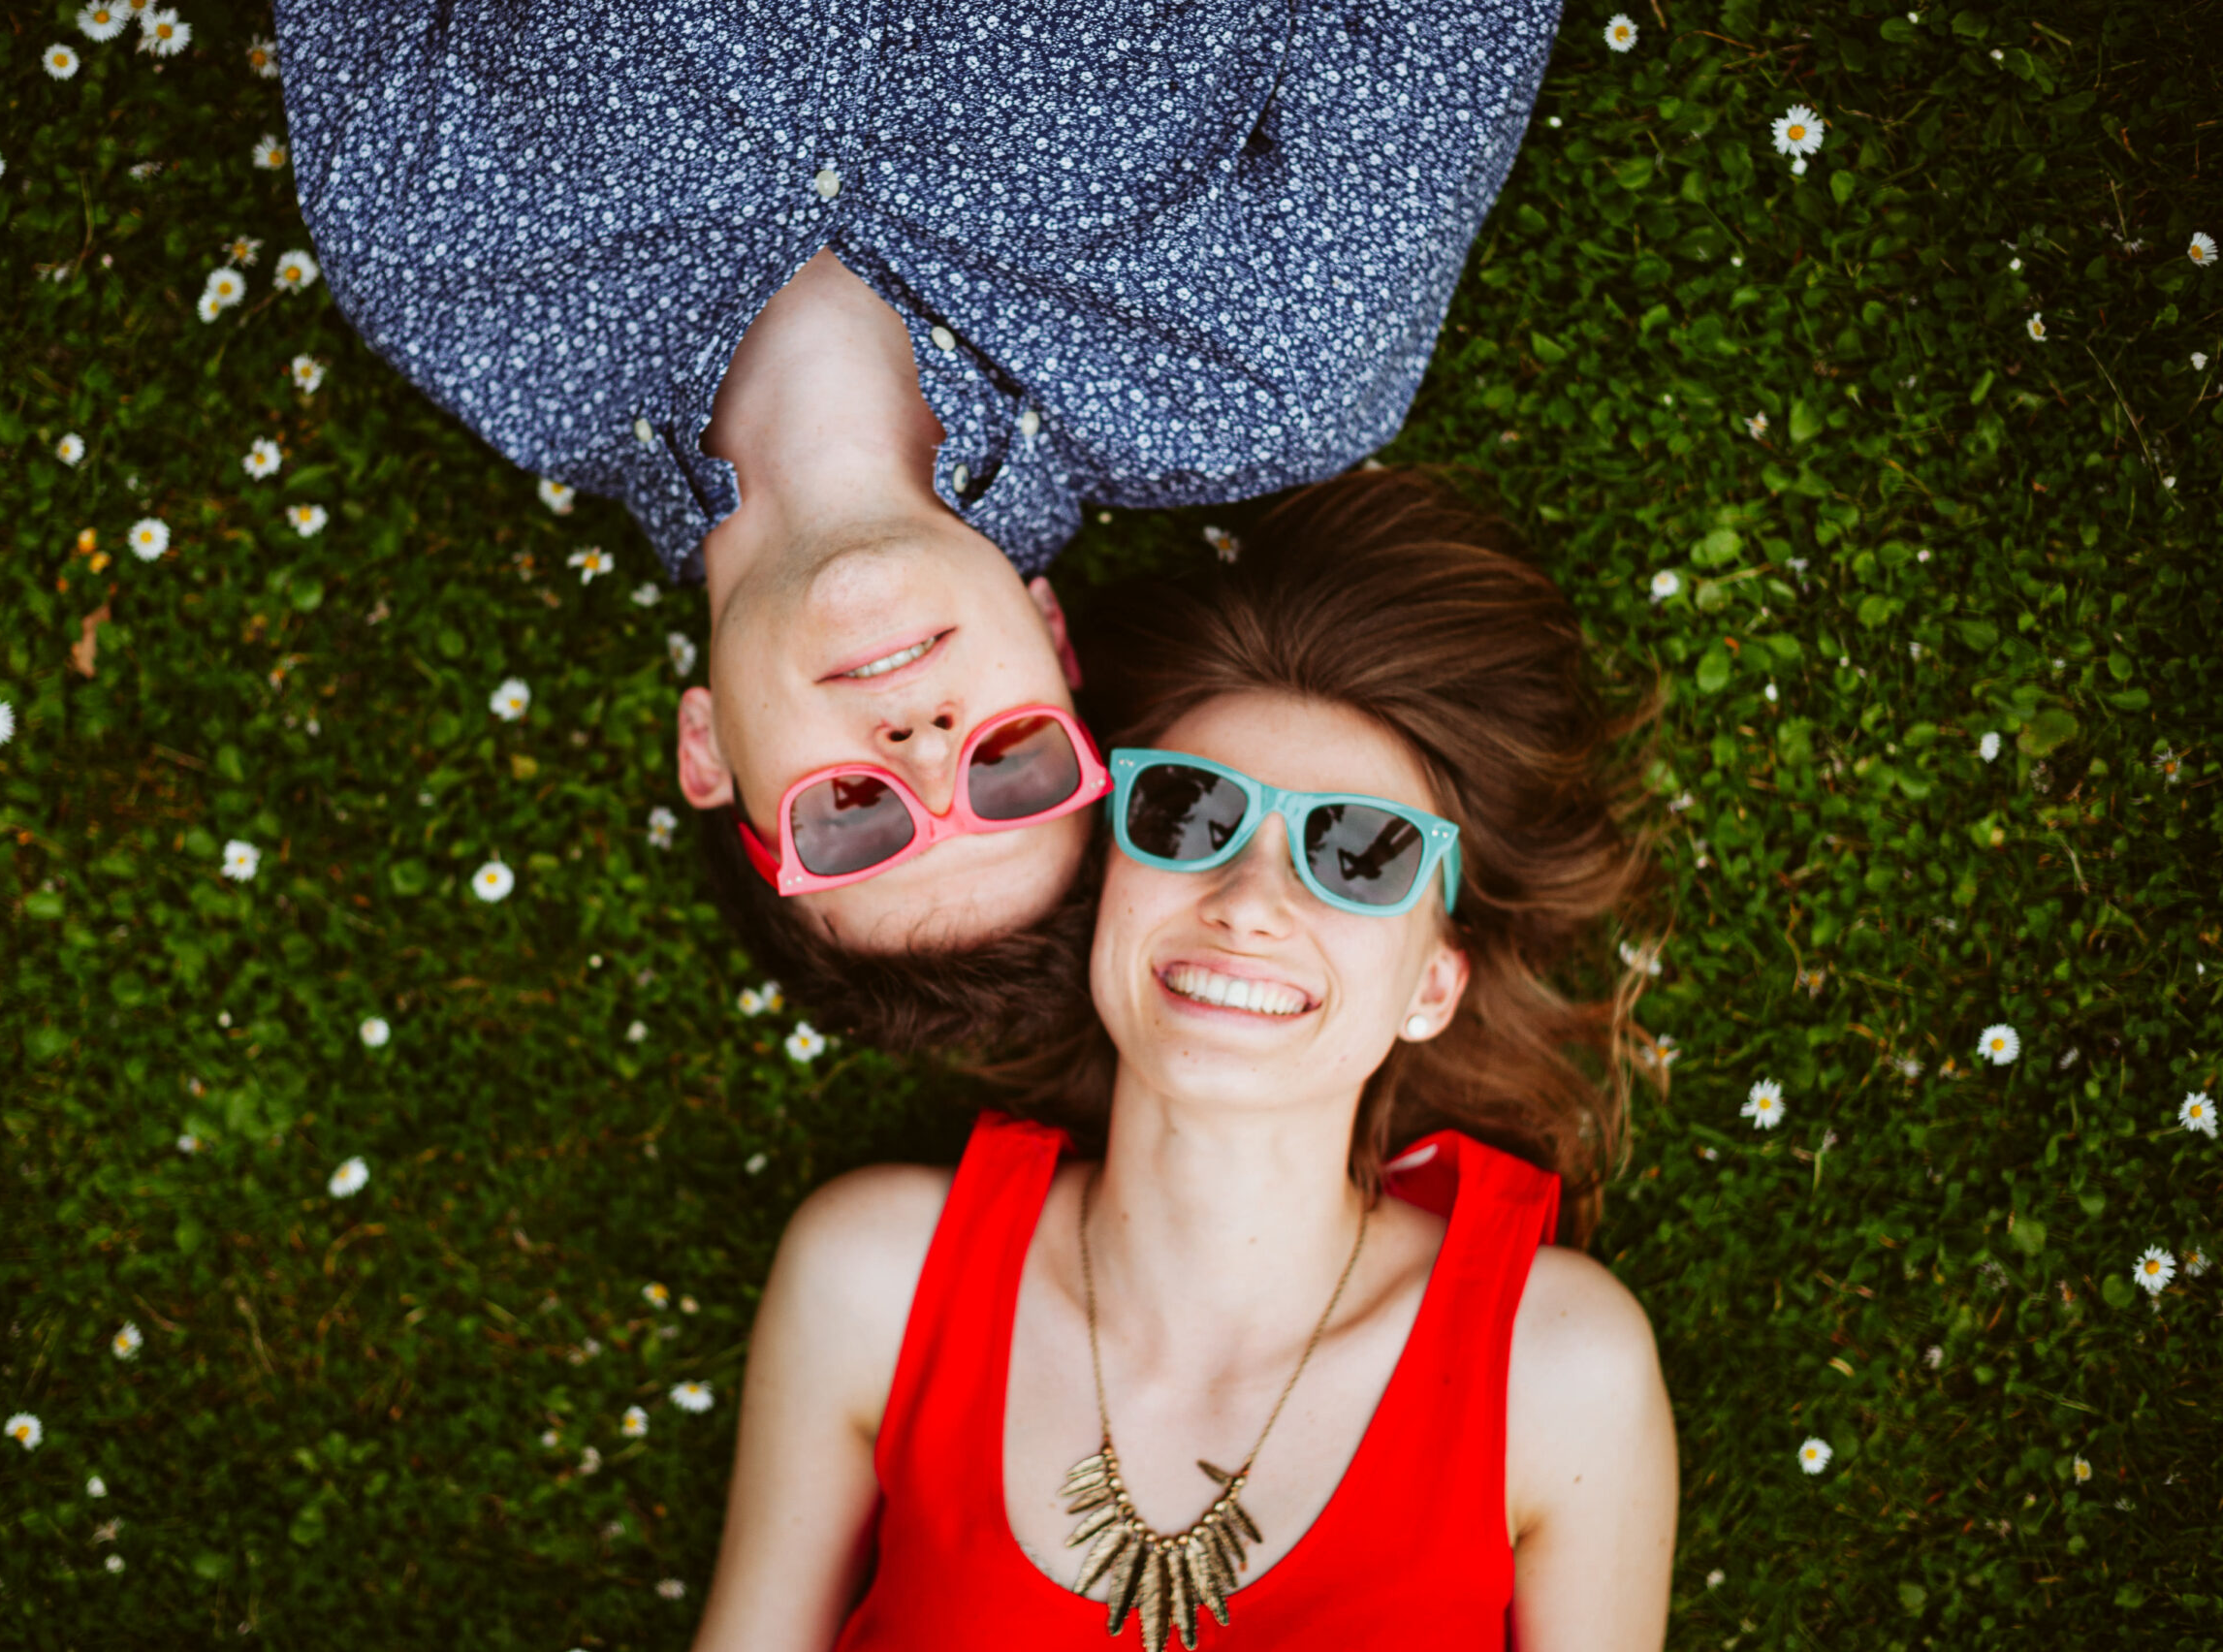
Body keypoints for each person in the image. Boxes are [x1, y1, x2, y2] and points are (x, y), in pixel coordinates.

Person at [270, 0, 1570, 1045]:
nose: (930, 749)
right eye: (1016, 773)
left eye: (855, 818)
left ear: (709, 754)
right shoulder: (1270, 363)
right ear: (1058, 651)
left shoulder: (454, 290)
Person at [690, 468, 1679, 1651]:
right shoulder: (876, 1283)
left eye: (1359, 856)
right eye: (1186, 815)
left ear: (1432, 983)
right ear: (1108, 880)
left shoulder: (1558, 1372)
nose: (1250, 900)